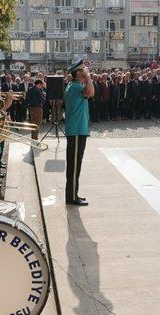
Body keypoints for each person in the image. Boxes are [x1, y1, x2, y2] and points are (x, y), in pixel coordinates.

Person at [64, 59, 94, 206]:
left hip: (77, 130)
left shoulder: (74, 86)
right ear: (78, 73)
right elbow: (91, 92)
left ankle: (73, 194)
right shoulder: (75, 87)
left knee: (75, 164)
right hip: (76, 130)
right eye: (83, 70)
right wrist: (88, 77)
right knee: (74, 165)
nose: (86, 72)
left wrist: (86, 77)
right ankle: (71, 197)